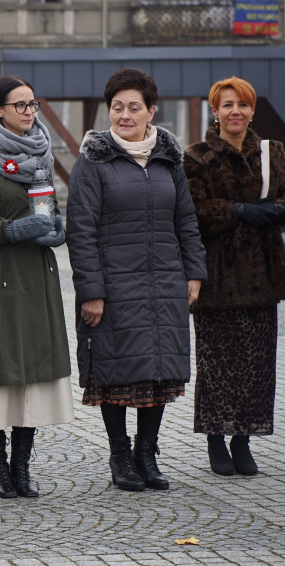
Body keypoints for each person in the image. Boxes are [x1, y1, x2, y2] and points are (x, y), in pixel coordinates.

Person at [66, 69, 206, 492]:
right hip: (112, 287)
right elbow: (81, 229)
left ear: (151, 111)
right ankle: (120, 455)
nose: (125, 116)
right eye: (117, 107)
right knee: (115, 371)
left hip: (165, 281)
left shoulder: (168, 159)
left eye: (134, 107)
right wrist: (91, 291)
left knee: (158, 372)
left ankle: (148, 452)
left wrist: (194, 272)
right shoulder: (93, 161)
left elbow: (186, 220)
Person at [0, 75, 73, 499]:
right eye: (20, 105)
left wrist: (54, 228)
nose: (29, 112)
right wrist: (11, 229)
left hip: (36, 279)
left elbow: (50, 206)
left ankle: (22, 466)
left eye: (33, 104)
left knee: (32, 375)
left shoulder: (41, 155)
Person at [183, 77, 285, 477]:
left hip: (263, 274)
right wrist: (239, 211)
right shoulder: (198, 156)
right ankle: (215, 438)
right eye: (227, 105)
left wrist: (274, 211)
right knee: (218, 364)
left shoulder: (273, 153)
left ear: (252, 110)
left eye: (242, 105)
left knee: (258, 365)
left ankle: (242, 440)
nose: (235, 112)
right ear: (215, 111)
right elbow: (192, 212)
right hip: (217, 276)